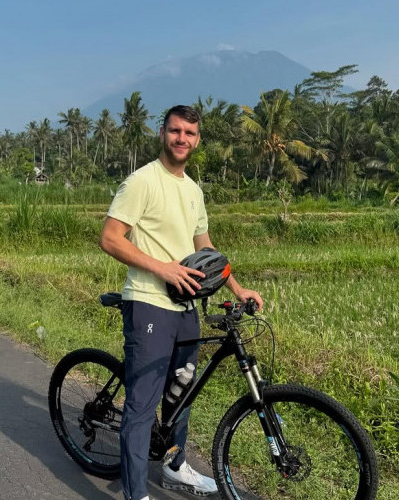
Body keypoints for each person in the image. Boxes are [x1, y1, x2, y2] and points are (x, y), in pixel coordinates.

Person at [100, 105, 263, 500]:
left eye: (189, 133)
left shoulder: (193, 190)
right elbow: (110, 238)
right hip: (149, 303)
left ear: (197, 139)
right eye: (175, 131)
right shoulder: (142, 181)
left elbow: (204, 248)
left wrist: (236, 289)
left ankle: (174, 467)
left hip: (187, 307)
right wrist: (165, 269)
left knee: (182, 393)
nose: (182, 139)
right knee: (142, 405)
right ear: (162, 133)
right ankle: (136, 493)